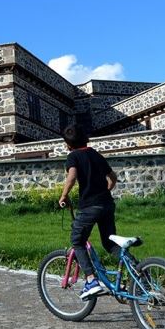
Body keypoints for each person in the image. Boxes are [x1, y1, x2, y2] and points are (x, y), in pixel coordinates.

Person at [58, 124, 120, 299]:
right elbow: (113, 178)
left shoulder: (73, 156)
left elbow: (71, 176)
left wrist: (63, 196)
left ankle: (91, 280)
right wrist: (107, 190)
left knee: (77, 240)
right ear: (85, 139)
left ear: (68, 144)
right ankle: (138, 273)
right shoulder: (95, 154)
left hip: (89, 207)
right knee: (110, 243)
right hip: (107, 204)